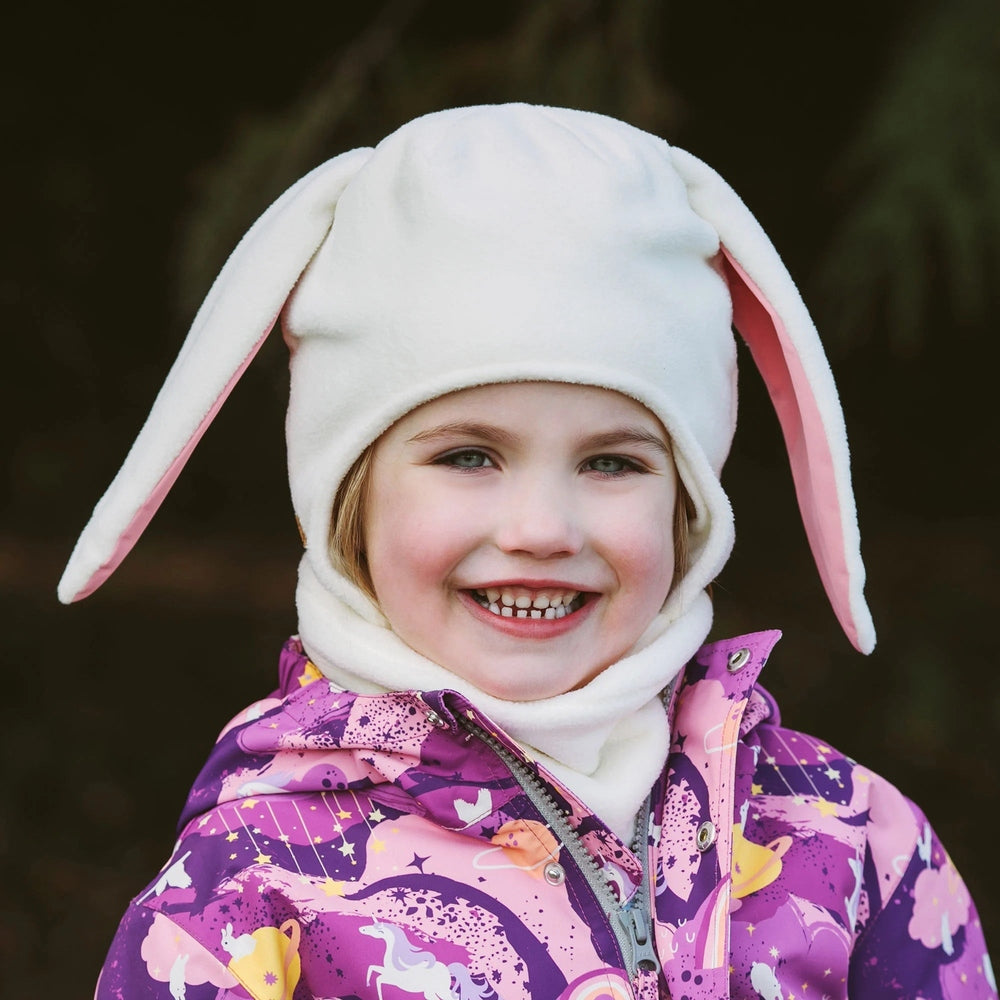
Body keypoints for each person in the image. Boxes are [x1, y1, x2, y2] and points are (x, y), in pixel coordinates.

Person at [59, 104, 995, 1000]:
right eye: (469, 456)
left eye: (612, 462)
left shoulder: (851, 840)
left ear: (690, 507)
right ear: (345, 494)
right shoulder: (246, 894)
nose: (543, 529)